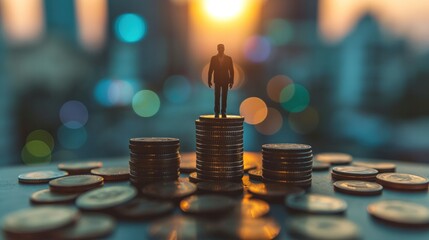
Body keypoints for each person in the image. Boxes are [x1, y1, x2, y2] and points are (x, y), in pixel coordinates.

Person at [208, 44, 234, 118]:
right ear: (217, 49)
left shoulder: (229, 58)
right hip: (217, 80)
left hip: (226, 80)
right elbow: (210, 70)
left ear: (224, 49)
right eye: (219, 48)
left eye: (222, 48)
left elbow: (231, 70)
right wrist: (209, 80)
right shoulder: (213, 58)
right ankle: (216, 111)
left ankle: (223, 111)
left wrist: (231, 81)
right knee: (217, 96)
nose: (221, 49)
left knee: (224, 96)